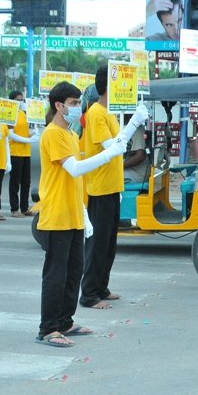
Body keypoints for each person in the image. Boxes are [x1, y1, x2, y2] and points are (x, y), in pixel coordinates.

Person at [35, 81, 128, 347]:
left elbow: (76, 178)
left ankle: (65, 321)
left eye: (78, 102)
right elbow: (75, 169)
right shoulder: (52, 134)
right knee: (56, 275)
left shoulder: (70, 135)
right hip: (57, 215)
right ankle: (48, 328)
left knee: (73, 272)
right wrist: (109, 154)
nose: (78, 107)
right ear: (59, 105)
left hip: (74, 213)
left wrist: (84, 213)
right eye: (74, 103)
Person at [79, 65, 150, 309]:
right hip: (99, 187)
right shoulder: (96, 112)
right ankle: (89, 294)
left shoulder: (109, 113)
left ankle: (101, 287)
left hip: (112, 186)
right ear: (109, 86)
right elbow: (113, 147)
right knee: (97, 245)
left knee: (109, 244)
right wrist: (135, 122)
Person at [7, 90, 37, 217]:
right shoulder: (10, 114)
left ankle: (24, 207)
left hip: (25, 152)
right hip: (15, 152)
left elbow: (24, 132)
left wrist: (33, 133)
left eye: (21, 100)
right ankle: (14, 209)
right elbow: (10, 134)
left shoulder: (22, 114)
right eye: (17, 100)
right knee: (15, 182)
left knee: (26, 181)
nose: (20, 102)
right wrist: (27, 140)